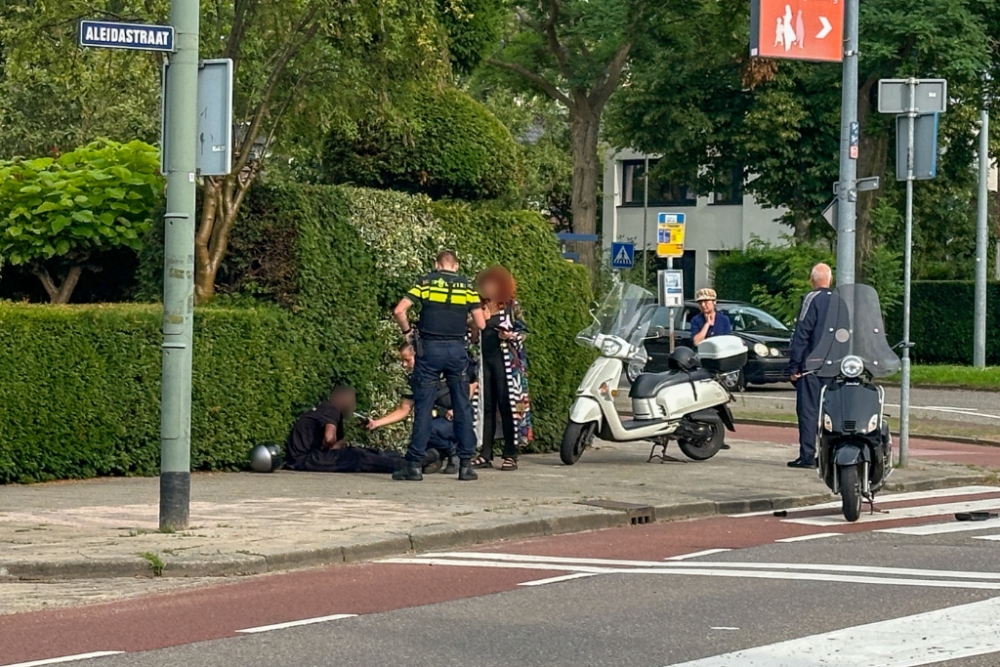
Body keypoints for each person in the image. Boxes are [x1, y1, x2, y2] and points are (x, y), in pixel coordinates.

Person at [392, 250, 486, 481]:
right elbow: (481, 323)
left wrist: (407, 333)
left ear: (436, 265)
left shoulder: (424, 284)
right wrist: (465, 323)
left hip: (429, 350)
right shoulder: (467, 289)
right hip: (456, 351)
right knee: (462, 406)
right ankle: (466, 465)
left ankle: (414, 465)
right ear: (456, 266)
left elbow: (399, 310)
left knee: (423, 406)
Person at [367, 343, 478, 475]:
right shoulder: (413, 380)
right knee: (420, 433)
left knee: (426, 430)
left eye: (407, 360)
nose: (404, 365)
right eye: (402, 360)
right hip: (434, 421)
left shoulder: (445, 368)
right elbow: (404, 409)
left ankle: (453, 450)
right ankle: (439, 454)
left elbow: (472, 382)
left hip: (454, 419)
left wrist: (457, 408)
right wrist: (376, 423)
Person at [284, 386, 439, 474]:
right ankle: (408, 465)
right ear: (343, 400)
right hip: (306, 459)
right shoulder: (330, 411)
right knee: (358, 457)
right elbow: (329, 438)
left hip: (308, 456)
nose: (354, 406)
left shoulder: (327, 410)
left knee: (364, 452)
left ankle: (411, 461)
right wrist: (329, 448)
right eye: (352, 402)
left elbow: (337, 442)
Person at [469, 266, 533, 471]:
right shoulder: (478, 307)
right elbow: (470, 338)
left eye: (491, 284)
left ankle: (510, 453)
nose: (487, 288)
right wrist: (477, 323)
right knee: (485, 406)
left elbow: (524, 331)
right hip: (484, 363)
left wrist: (510, 336)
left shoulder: (511, 306)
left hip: (507, 364)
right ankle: (485, 453)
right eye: (484, 284)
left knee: (508, 406)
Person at [787, 262, 834, 469]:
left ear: (812, 280)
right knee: (831, 413)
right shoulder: (840, 301)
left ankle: (807, 456)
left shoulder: (811, 299)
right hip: (835, 367)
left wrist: (794, 366)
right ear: (830, 280)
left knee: (808, 411)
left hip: (811, 367)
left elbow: (802, 333)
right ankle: (830, 456)